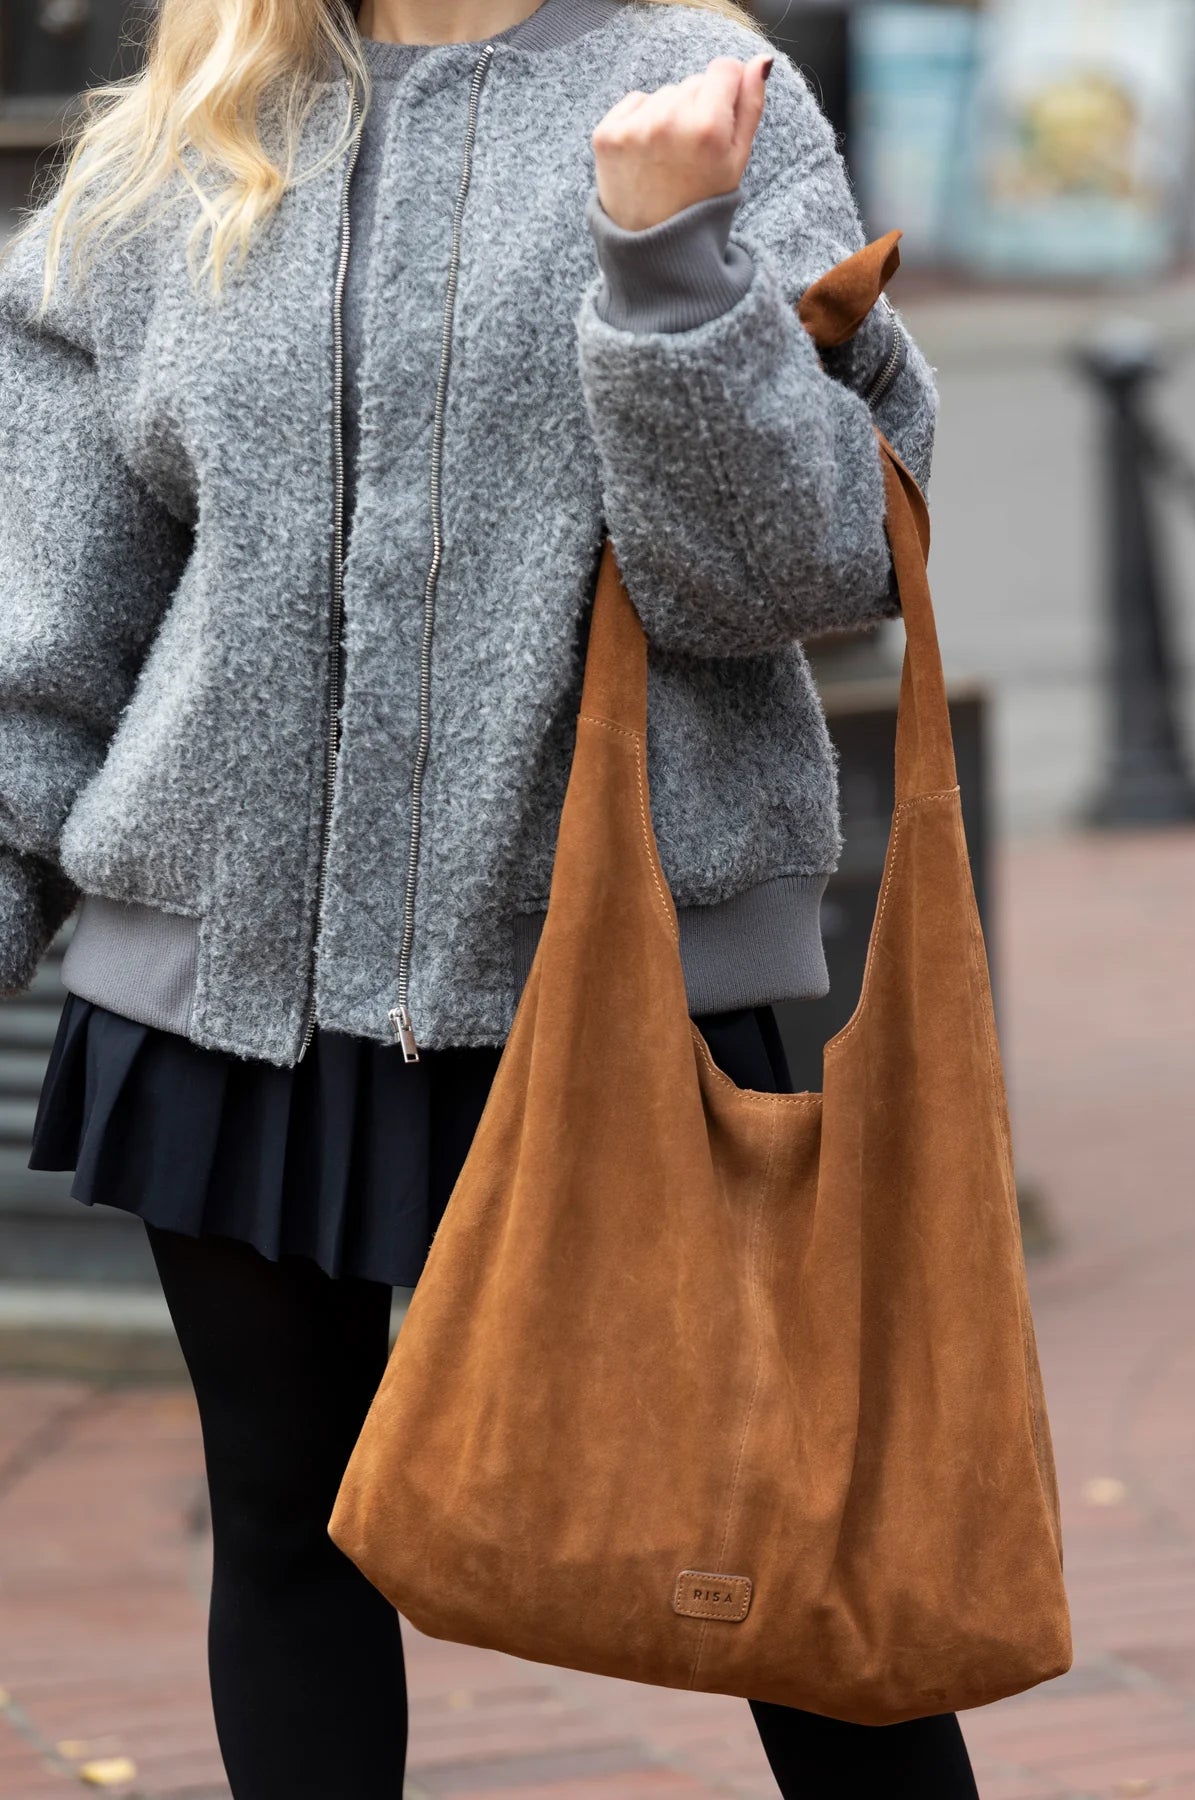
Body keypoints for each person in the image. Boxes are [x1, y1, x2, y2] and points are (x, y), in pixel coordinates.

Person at [0, 0, 977, 1794]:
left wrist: (667, 253)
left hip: (622, 983)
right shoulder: (191, 125)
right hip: (227, 987)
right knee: (286, 1536)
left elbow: (806, 568)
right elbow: (49, 610)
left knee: (797, 1551)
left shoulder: (704, 88)